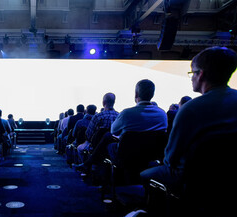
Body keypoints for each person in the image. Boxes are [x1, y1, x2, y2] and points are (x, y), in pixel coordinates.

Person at [140, 46, 237, 193]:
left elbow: (171, 158)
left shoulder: (191, 109)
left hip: (192, 178)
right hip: (230, 179)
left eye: (192, 73)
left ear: (201, 75)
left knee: (144, 174)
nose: (191, 78)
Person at [75, 79, 167, 173]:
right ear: (152, 94)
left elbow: (113, 131)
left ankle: (93, 168)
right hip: (151, 155)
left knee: (108, 137)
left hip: (127, 155)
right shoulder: (162, 114)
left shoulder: (127, 113)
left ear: (136, 94)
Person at [76, 93, 119, 163]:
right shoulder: (119, 116)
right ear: (114, 102)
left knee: (79, 149)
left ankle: (84, 169)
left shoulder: (98, 116)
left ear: (103, 102)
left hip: (95, 146)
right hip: (113, 147)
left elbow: (89, 134)